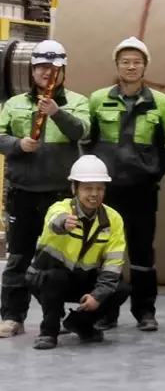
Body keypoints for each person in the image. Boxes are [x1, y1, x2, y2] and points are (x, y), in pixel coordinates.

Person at [83, 37, 165, 332]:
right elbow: (88, 142)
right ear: (117, 65)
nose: (131, 66)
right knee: (102, 251)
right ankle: (106, 311)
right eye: (125, 61)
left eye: (137, 62)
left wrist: (151, 174)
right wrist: (96, 179)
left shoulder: (160, 102)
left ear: (145, 66)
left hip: (142, 190)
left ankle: (144, 311)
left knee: (141, 252)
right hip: (106, 191)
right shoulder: (98, 99)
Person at [0, 40, 89, 339]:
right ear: (32, 70)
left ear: (62, 70)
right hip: (23, 192)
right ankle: (12, 316)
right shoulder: (13, 104)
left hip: (60, 195)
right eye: (41, 67)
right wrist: (17, 144)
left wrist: (57, 112)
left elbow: (82, 131)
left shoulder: (77, 101)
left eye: (53, 67)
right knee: (19, 256)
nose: (46, 72)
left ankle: (58, 316)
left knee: (61, 257)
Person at [26, 156, 130, 349]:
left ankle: (81, 323)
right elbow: (55, 220)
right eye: (88, 188)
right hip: (47, 278)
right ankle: (49, 331)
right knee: (55, 277)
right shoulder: (61, 208)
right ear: (75, 189)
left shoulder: (113, 219)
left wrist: (97, 296)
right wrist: (64, 223)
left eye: (99, 188)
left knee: (120, 288)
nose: (94, 194)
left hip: (83, 280)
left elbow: (113, 264)